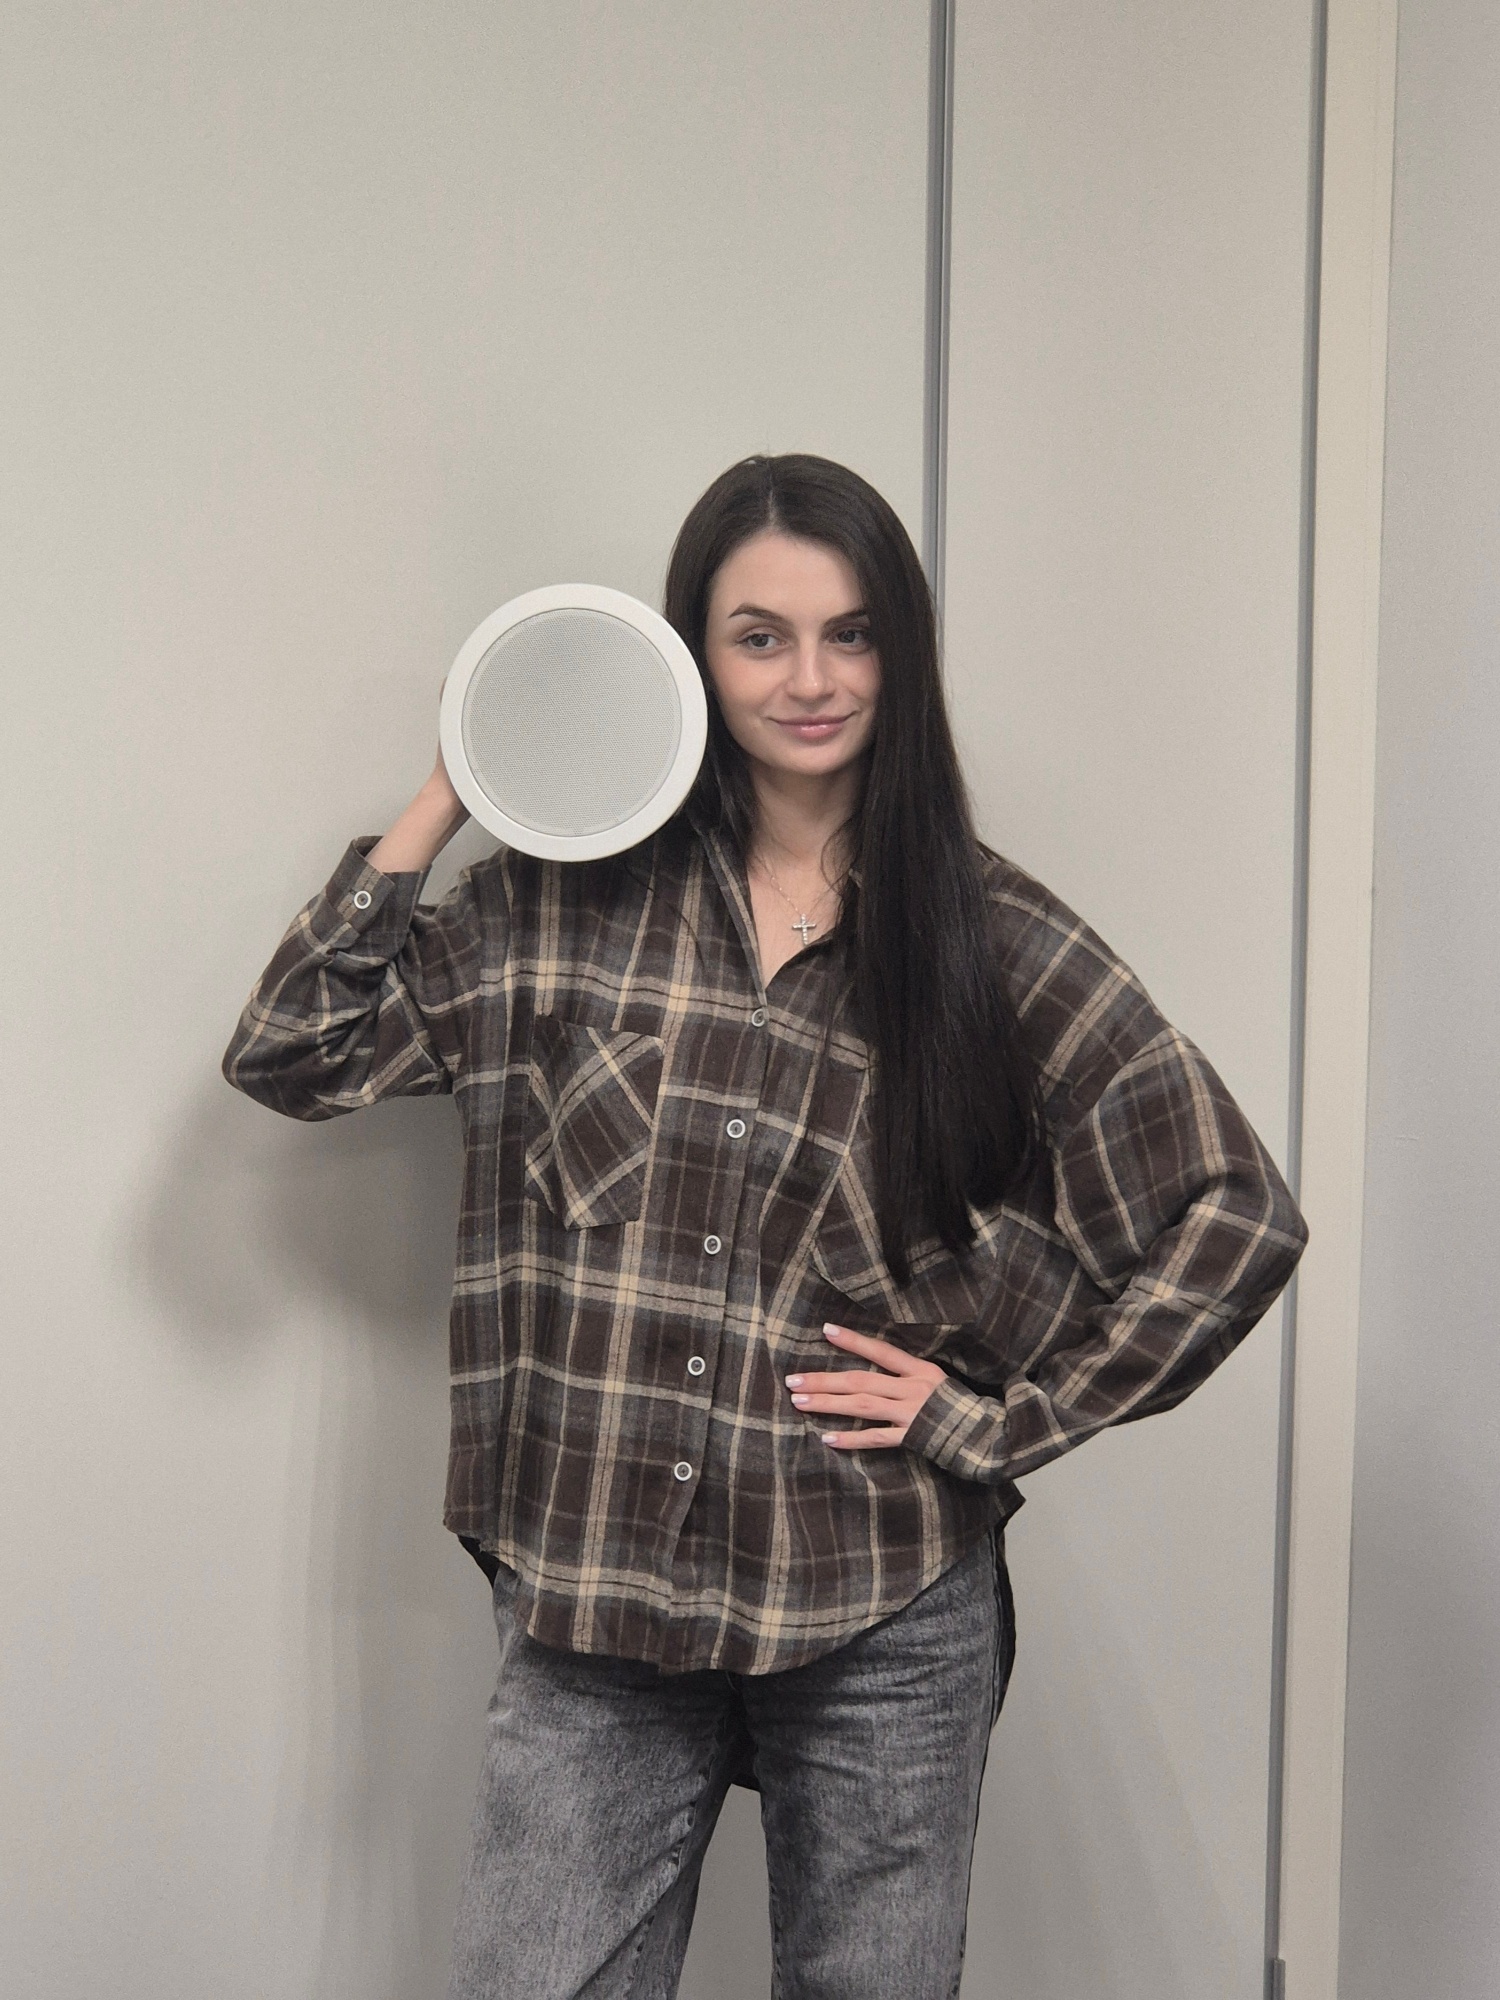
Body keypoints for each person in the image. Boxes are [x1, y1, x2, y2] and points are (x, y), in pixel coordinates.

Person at [223, 453, 1307, 1999]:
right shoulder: (560, 900)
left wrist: (1002, 1422)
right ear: (692, 653)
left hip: (878, 1609)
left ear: (901, 652)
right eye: (760, 637)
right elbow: (295, 1052)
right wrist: (466, 776)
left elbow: (1233, 1212)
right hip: (599, 1596)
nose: (810, 679)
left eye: (851, 634)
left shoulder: (993, 937)